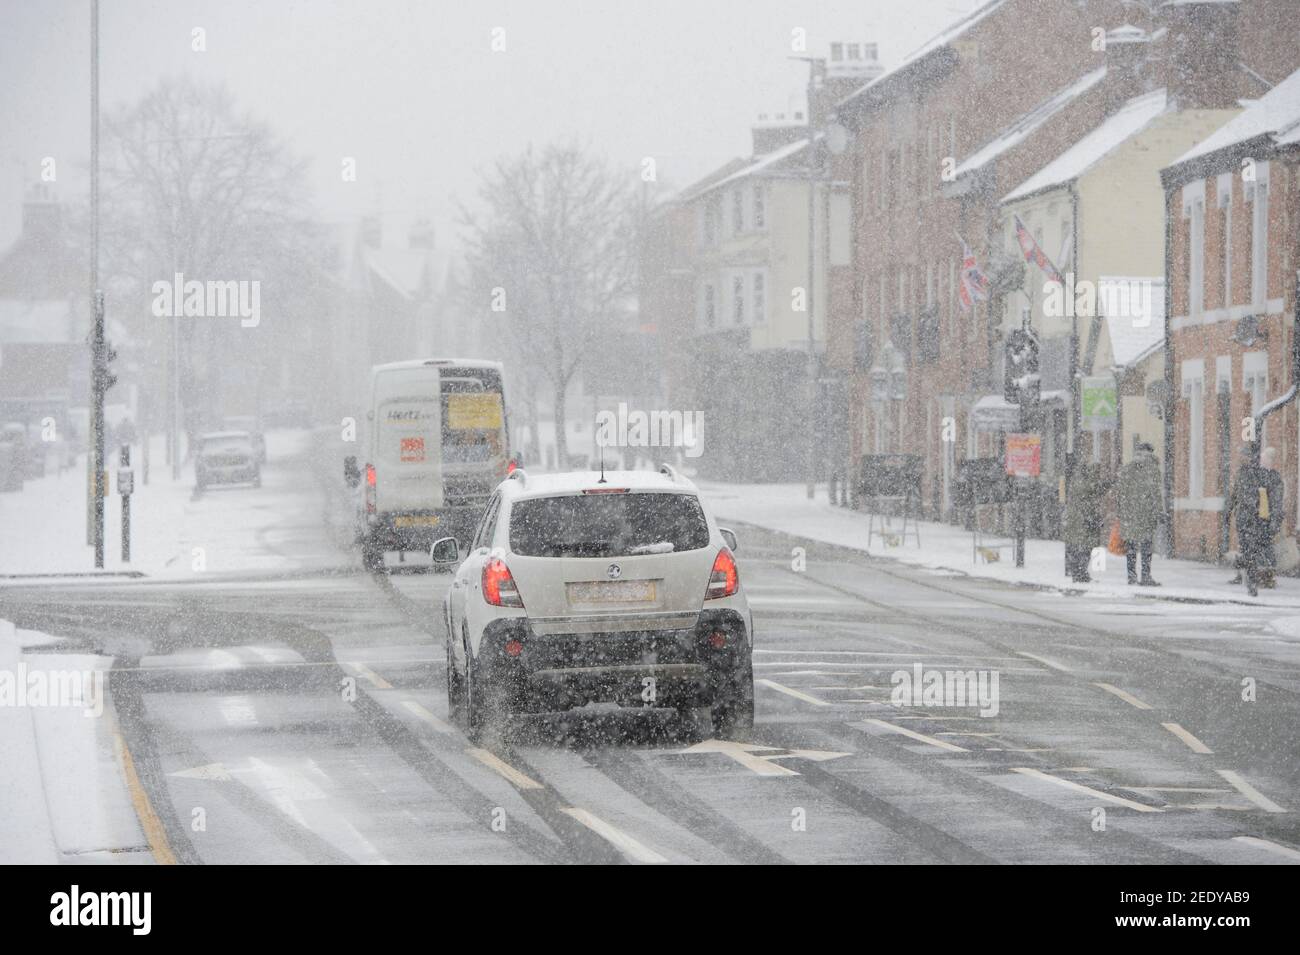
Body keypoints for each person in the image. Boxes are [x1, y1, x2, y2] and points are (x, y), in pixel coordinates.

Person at [1229, 445, 1284, 597]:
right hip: (1248, 518)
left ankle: (1262, 579)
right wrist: (1231, 510)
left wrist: (1274, 521)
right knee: (1249, 548)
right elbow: (1237, 494)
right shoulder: (1246, 473)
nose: (1263, 461)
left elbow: (1275, 502)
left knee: (1261, 549)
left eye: (1266, 459)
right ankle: (1248, 577)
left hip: (1261, 519)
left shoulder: (1271, 477)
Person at [1118, 442, 1163, 586]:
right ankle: (1146, 576)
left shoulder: (1127, 469)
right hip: (1146, 514)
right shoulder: (1152, 469)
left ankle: (1131, 576)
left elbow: (1120, 493)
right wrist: (1158, 511)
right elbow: (1155, 494)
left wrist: (1122, 511)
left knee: (1131, 547)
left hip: (1129, 514)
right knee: (1146, 547)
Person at [1064, 461, 1104, 583]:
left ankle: (1079, 572)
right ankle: (1079, 572)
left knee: (1080, 546)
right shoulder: (1084, 484)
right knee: (1085, 546)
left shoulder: (1077, 482)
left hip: (1080, 519)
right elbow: (1091, 491)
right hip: (1083, 519)